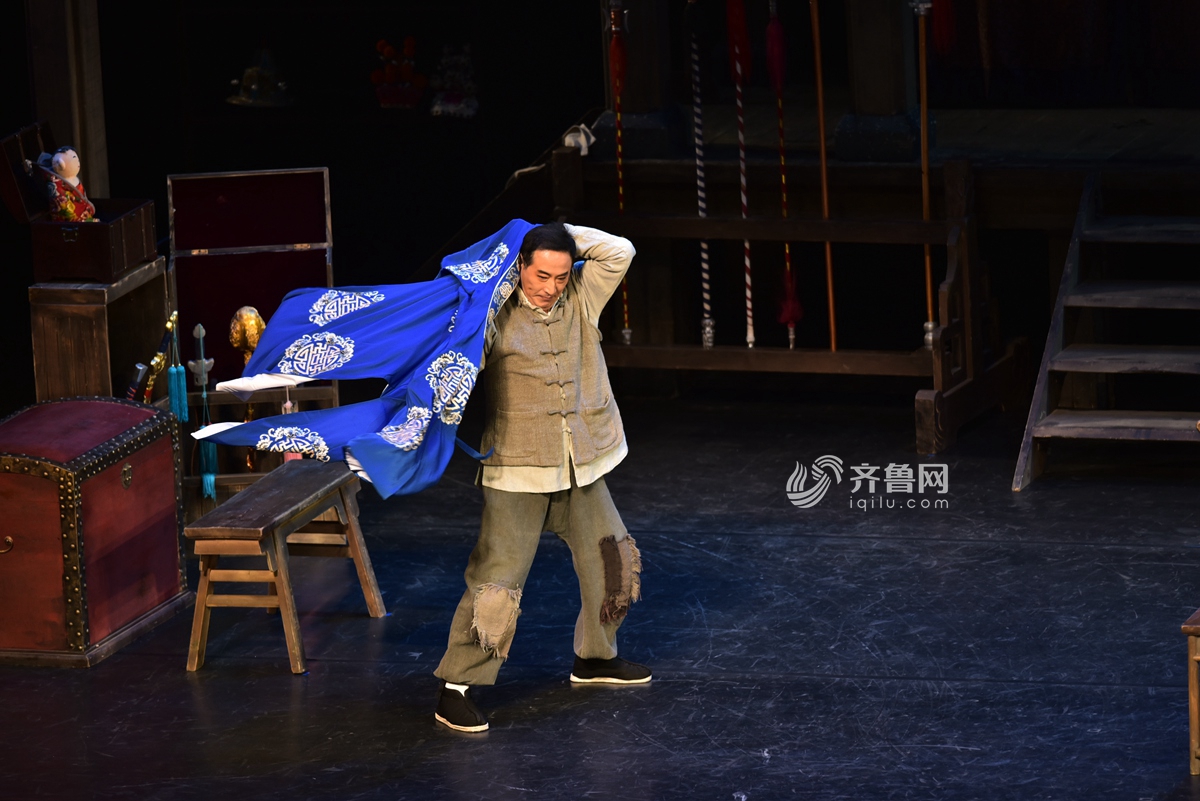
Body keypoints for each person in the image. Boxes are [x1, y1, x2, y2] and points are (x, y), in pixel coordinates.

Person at [432, 222, 650, 733]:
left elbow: (621, 249)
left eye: (560, 275)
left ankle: (595, 658)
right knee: (496, 583)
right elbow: (460, 365)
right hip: (519, 469)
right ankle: (455, 687)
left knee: (614, 563)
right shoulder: (493, 313)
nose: (551, 287)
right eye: (540, 275)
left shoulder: (582, 297)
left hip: (581, 464)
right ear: (519, 268)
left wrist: (554, 233)